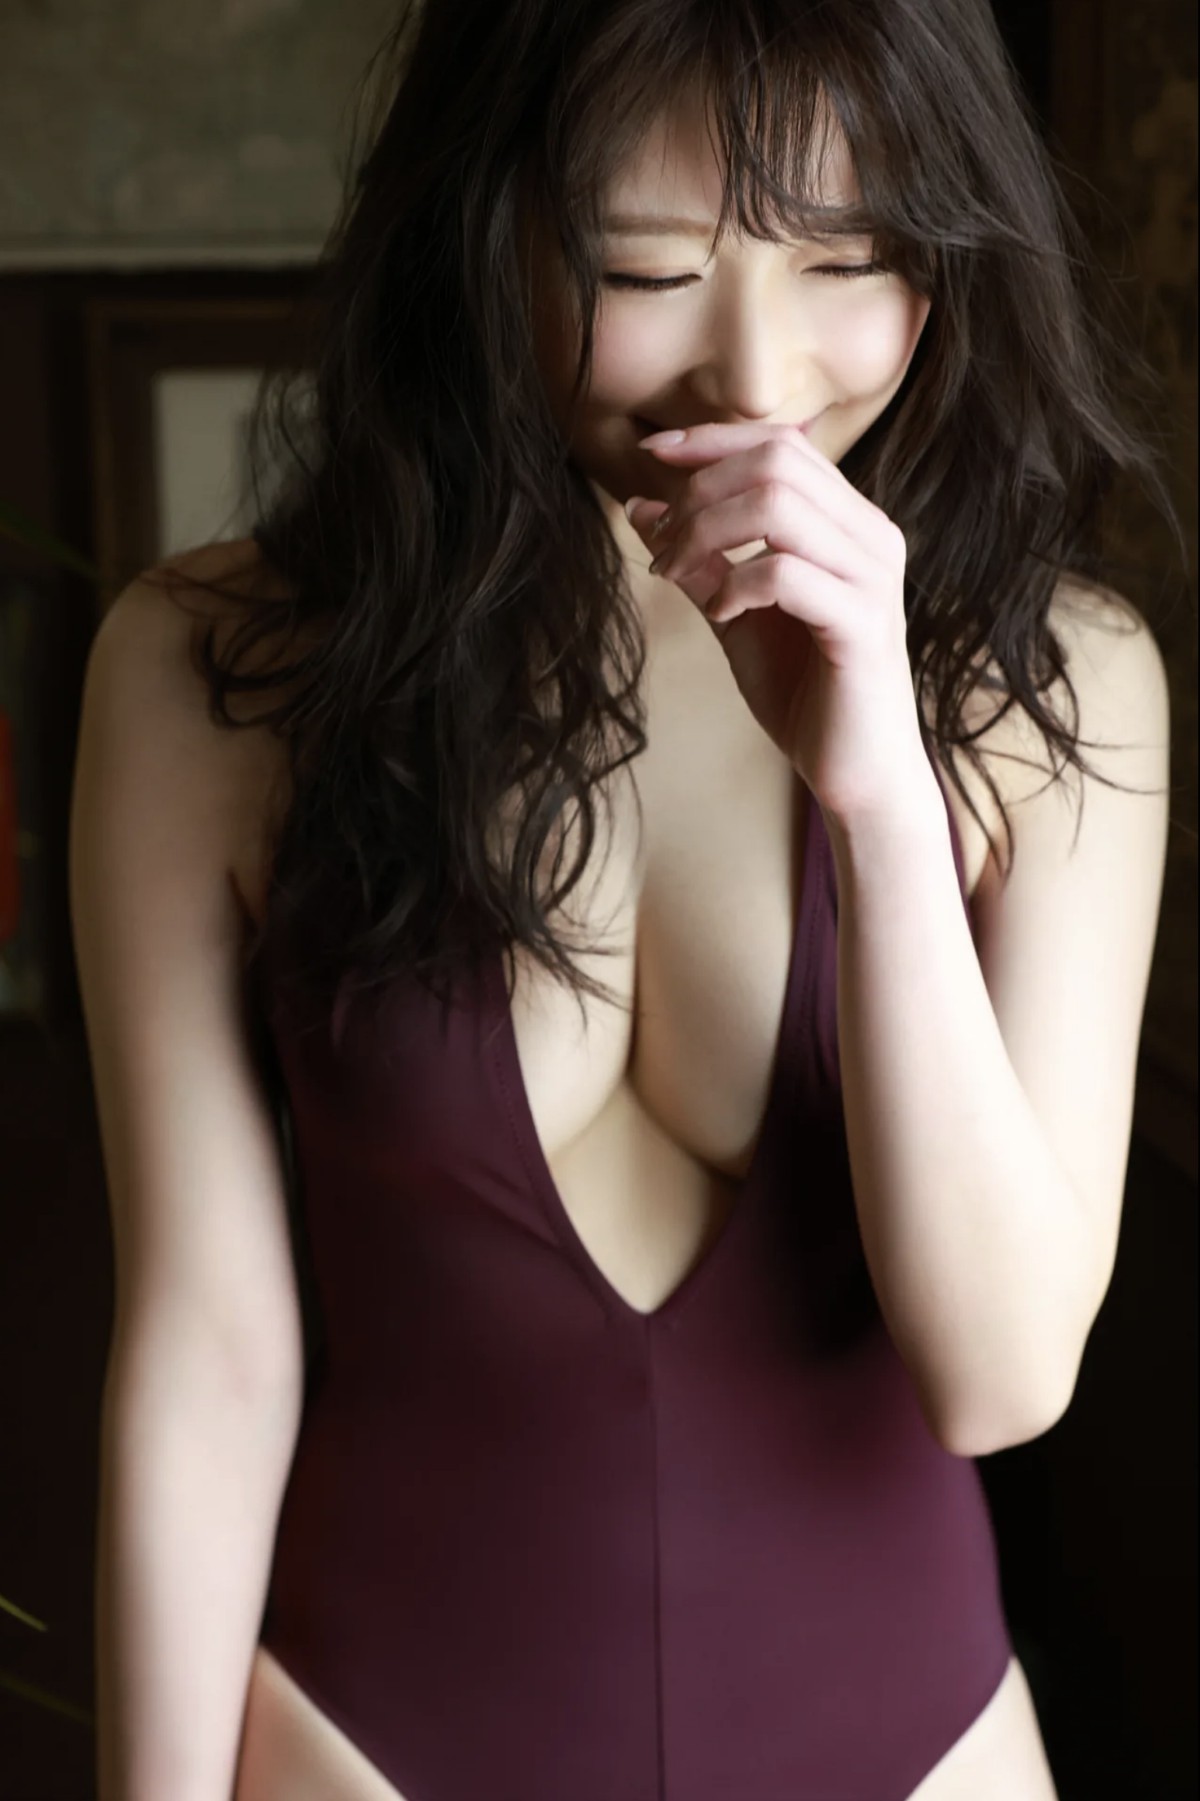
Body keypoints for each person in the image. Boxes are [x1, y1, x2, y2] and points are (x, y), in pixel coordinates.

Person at [70, 1, 1179, 1797]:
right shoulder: (214, 674)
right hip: (366, 1741)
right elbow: (207, 1350)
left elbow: (997, 1377)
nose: (758, 377)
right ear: (480, 227)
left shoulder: (1060, 683)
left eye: (850, 260)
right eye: (645, 268)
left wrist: (881, 795)